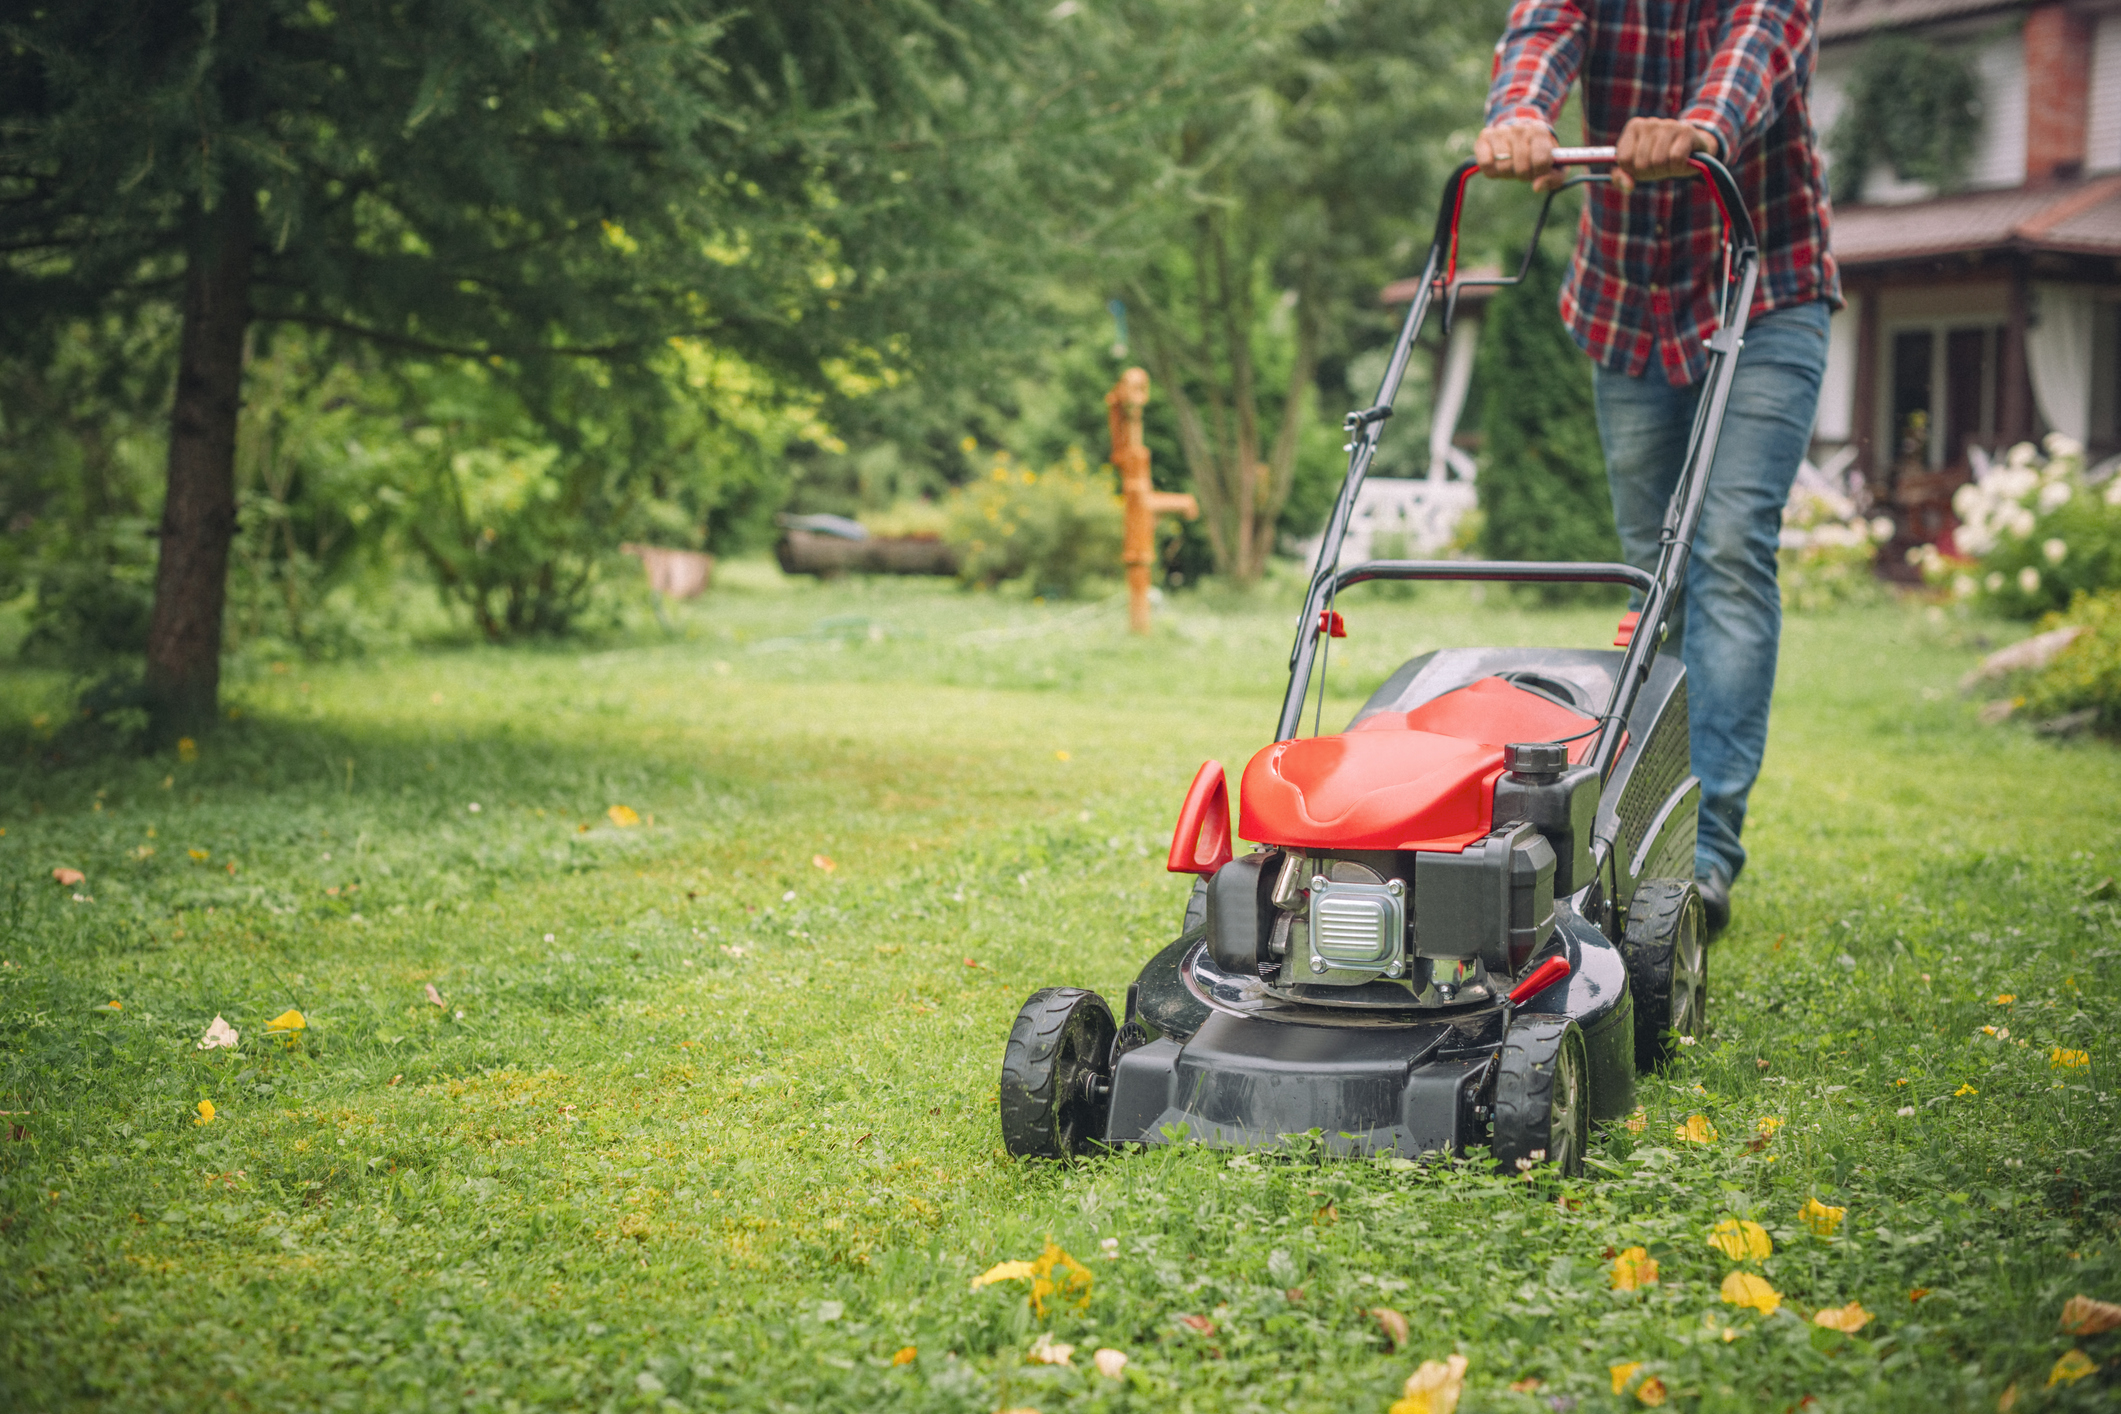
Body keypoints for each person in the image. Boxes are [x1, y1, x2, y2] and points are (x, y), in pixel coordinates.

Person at [1476, 0, 1839, 934]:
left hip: (1765, 285)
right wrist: (1522, 112)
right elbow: (1544, 25)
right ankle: (1645, 836)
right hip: (1625, 301)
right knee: (1651, 571)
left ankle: (1709, 848)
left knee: (1722, 547)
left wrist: (1699, 129)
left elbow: (1759, 37)